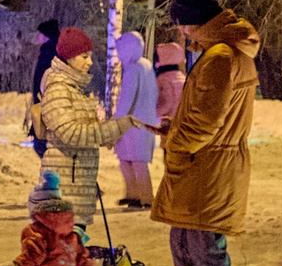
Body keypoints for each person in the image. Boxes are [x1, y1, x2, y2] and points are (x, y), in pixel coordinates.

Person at [149, 0, 259, 266]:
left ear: (194, 21)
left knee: (202, 248)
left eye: (182, 22)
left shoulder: (220, 57)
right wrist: (176, 128)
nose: (180, 30)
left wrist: (176, 141)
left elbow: (206, 124)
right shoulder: (221, 53)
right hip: (208, 163)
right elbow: (206, 116)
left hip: (209, 166)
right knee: (185, 243)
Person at [28, 26, 127, 219]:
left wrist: (99, 131)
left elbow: (83, 127)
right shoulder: (58, 87)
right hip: (65, 188)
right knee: (64, 245)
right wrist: (112, 129)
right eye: (84, 56)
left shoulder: (76, 87)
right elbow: (70, 133)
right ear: (70, 57)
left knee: (74, 245)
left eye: (90, 56)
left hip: (76, 185)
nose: (90, 62)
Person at [111, 31, 160, 209]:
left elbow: (126, 99)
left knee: (137, 161)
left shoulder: (133, 69)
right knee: (126, 158)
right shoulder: (146, 65)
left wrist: (115, 124)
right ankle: (133, 194)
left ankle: (146, 198)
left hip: (133, 124)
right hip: (143, 122)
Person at [27, 19, 62, 155]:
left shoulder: (49, 54)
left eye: (40, 34)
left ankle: (56, 176)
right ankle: (56, 175)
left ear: (46, 35)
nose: (38, 37)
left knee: (43, 147)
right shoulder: (52, 51)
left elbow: (43, 80)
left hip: (47, 104)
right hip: (48, 104)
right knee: (45, 148)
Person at [152, 39, 187, 129]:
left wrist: (150, 115)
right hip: (181, 123)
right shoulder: (182, 77)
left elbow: (166, 103)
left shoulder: (165, 79)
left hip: (168, 124)